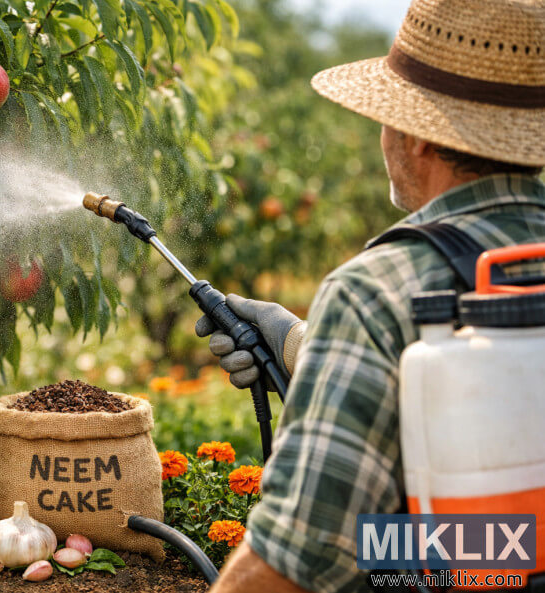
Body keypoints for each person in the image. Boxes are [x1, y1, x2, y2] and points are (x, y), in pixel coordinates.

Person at [198, 0, 545, 591]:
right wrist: (302, 344)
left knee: (383, 552)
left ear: (415, 136)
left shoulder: (375, 290)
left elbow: (294, 560)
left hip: (465, 572)